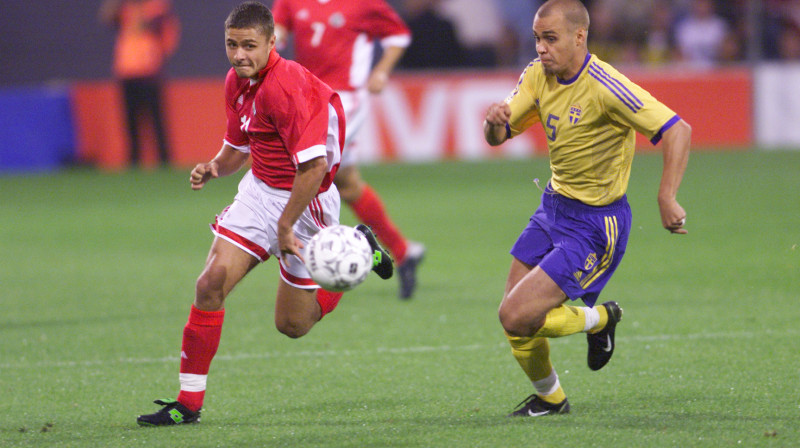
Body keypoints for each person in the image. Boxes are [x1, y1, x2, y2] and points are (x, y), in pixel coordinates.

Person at [136, 1, 393, 426]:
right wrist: (215, 165)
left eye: (249, 46)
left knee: (293, 325)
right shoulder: (237, 81)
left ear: (273, 42)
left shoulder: (288, 87)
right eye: (232, 45)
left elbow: (312, 169)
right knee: (210, 284)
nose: (239, 54)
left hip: (305, 201)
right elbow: (239, 146)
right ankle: (188, 403)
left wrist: (286, 224)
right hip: (260, 192)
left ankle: (358, 251)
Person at [483, 0, 691, 417]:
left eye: (551, 38)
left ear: (580, 37)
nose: (541, 48)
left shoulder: (606, 85)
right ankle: (552, 397)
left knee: (515, 315)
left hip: (595, 225)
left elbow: (676, 130)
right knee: (516, 322)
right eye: (538, 38)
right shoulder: (536, 75)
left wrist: (666, 195)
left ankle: (599, 320)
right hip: (552, 209)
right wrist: (493, 120)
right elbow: (498, 136)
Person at [272, 0, 426, 300]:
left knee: (309, 172)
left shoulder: (364, 3)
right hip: (308, 95)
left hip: (345, 99)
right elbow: (277, 33)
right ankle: (404, 253)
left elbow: (398, 35)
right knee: (346, 183)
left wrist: (381, 71)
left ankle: (346, 250)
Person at [99, 0, 179, 167]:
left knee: (156, 122)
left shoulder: (156, 6)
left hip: (150, 72)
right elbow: (107, 17)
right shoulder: (124, 8)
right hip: (126, 72)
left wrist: (159, 56)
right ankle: (134, 163)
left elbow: (162, 29)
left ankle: (165, 162)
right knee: (130, 123)